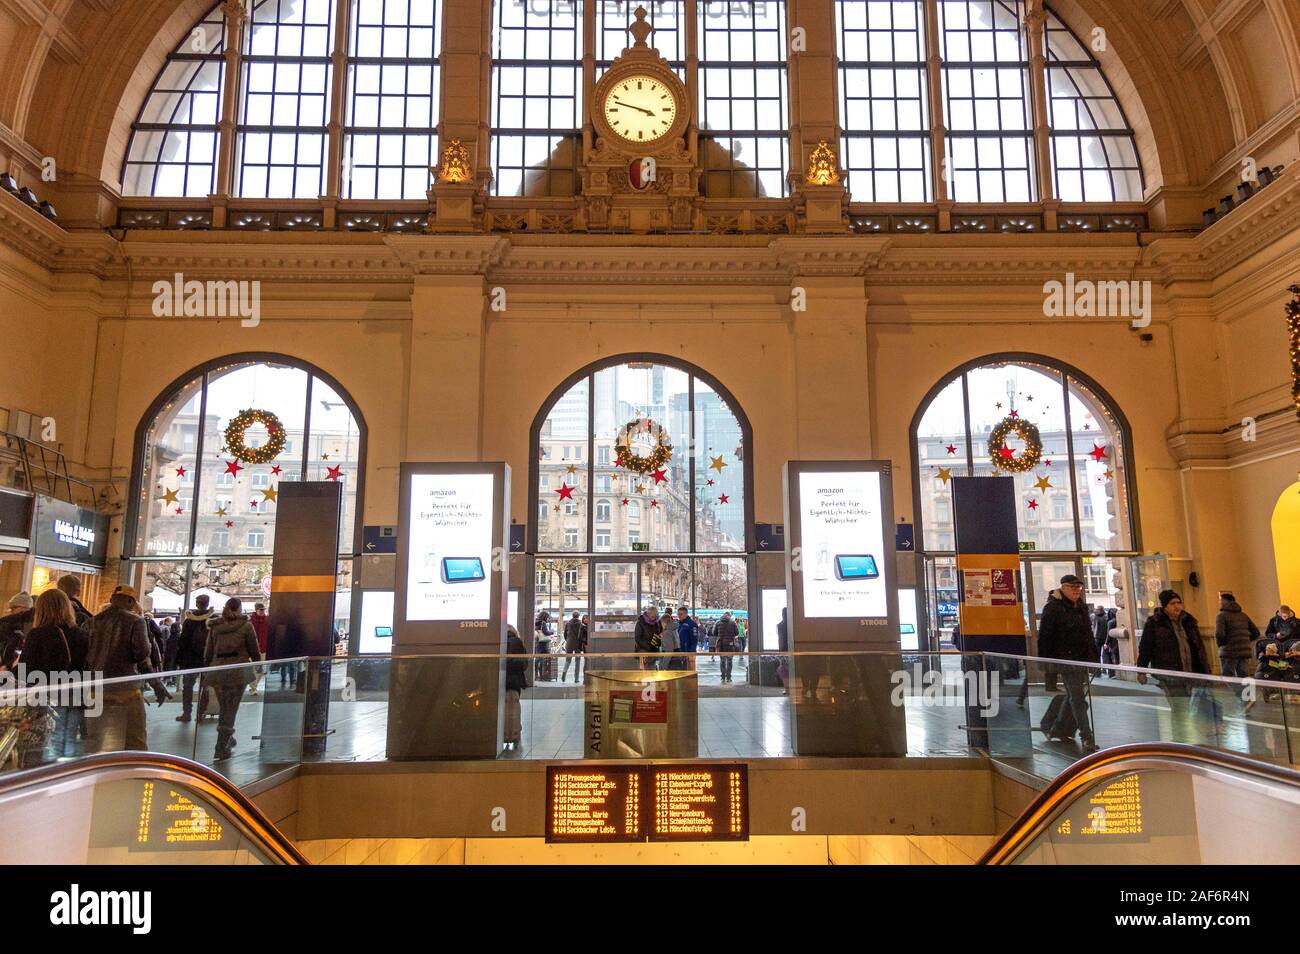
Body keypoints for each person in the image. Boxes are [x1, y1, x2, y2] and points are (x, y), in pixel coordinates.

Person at [85, 585, 169, 752]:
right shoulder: (135, 621)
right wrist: (157, 685)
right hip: (126, 689)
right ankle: (136, 774)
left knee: (96, 740)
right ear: (130, 601)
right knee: (135, 739)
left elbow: (84, 657)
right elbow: (142, 654)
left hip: (96, 688)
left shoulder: (91, 622)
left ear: (111, 600)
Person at [21, 588, 89, 764]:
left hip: (49, 695)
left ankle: (53, 782)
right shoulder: (81, 634)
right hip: (75, 693)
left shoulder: (37, 635)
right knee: (70, 738)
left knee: (52, 740)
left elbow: (26, 671)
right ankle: (69, 778)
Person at [1137, 590, 1210, 741]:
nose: (1177, 607)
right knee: (1180, 708)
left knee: (1187, 707)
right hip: (1170, 674)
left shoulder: (1188, 621)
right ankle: (1180, 740)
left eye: (1179, 603)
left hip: (1189, 673)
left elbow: (1199, 647)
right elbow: (1145, 647)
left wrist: (1205, 669)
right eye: (1172, 604)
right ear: (1165, 607)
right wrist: (1141, 670)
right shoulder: (1154, 623)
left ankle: (1182, 739)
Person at [1036, 574, 1098, 751]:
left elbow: (1088, 635)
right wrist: (1048, 667)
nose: (1076, 590)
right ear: (1063, 588)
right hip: (1066, 660)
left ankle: (1056, 729)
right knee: (1077, 698)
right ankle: (1087, 736)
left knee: (1074, 697)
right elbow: (1045, 637)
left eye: (1078, 587)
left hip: (1081, 659)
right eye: (1072, 587)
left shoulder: (1081, 608)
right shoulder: (1053, 608)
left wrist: (1094, 659)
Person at [203, 597, 262, 761]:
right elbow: (253, 648)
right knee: (231, 708)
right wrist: (258, 664)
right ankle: (221, 744)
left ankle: (226, 737)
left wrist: (206, 668)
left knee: (224, 707)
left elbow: (209, 651)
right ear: (240, 609)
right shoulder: (246, 626)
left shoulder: (215, 626)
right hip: (238, 671)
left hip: (218, 670)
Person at [175, 594, 215, 722]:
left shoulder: (189, 620)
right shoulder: (213, 619)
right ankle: (201, 714)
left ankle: (187, 713)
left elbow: (182, 641)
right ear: (207, 603)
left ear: (197, 603)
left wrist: (179, 659)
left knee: (187, 687)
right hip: (206, 659)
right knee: (205, 688)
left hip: (189, 660)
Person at [1214, 592, 1259, 678]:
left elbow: (1219, 634)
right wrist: (1244, 641)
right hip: (1244, 651)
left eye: (1220, 600)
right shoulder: (1243, 615)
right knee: (1244, 676)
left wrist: (1221, 645)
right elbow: (1256, 633)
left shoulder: (1221, 616)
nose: (1219, 603)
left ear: (1224, 601)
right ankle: (1244, 691)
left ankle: (1238, 691)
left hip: (1229, 651)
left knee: (1228, 676)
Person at [504, 624, 529, 750]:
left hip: (500, 680)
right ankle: (514, 735)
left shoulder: (500, 642)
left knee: (503, 708)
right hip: (514, 681)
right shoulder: (517, 642)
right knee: (513, 709)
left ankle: (503, 735)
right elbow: (524, 663)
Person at [0, 592, 35, 671]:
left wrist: (7, 666)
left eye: (13, 608)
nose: (11, 611)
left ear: (22, 607)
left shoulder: (11, 623)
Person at [248, 602, 269, 696]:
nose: (262, 611)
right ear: (256, 610)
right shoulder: (250, 621)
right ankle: (253, 688)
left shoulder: (267, 620)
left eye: (263, 610)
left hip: (263, 648)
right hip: (252, 649)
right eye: (260, 610)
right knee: (252, 669)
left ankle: (254, 685)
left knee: (260, 669)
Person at [714, 610, 740, 684]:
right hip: (730, 644)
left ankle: (722, 677)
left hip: (721, 644)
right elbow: (737, 633)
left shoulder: (718, 622)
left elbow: (714, 633)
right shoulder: (733, 623)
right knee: (729, 661)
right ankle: (728, 677)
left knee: (722, 661)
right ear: (729, 616)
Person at [634, 605, 662, 670]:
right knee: (644, 672)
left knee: (652, 672)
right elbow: (638, 638)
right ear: (648, 614)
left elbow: (659, 634)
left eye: (655, 616)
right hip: (643, 651)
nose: (654, 618)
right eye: (652, 616)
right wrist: (648, 647)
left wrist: (658, 643)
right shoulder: (640, 622)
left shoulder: (657, 622)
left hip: (654, 651)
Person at [561, 610, 584, 683]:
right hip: (578, 644)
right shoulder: (581, 624)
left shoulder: (568, 623)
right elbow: (582, 635)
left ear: (572, 615)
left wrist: (568, 640)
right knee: (577, 661)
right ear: (578, 616)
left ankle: (564, 673)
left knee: (568, 660)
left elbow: (565, 634)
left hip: (569, 643)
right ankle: (576, 678)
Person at [775, 606, 789, 693]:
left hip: (783, 650)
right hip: (791, 649)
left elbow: (780, 638)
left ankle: (787, 688)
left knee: (783, 669)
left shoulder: (779, 625)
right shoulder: (793, 624)